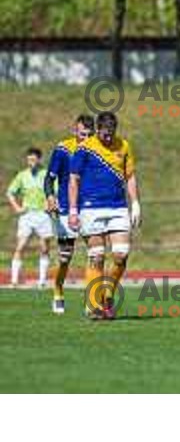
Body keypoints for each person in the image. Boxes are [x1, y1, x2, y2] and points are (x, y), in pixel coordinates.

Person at [68, 112, 142, 319]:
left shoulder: (124, 146)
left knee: (121, 254)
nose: (108, 138)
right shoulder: (85, 148)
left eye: (111, 134)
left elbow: (130, 176)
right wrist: (73, 211)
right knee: (97, 256)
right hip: (91, 208)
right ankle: (93, 306)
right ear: (97, 129)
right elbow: (73, 180)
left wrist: (135, 203)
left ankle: (107, 295)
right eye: (104, 134)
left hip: (117, 207)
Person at [44, 114, 95, 314]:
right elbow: (49, 178)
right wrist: (50, 197)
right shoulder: (63, 149)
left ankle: (91, 299)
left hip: (91, 207)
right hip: (66, 207)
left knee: (95, 254)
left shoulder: (97, 149)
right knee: (65, 257)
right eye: (83, 134)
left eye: (90, 134)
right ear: (75, 131)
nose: (86, 138)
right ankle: (57, 290)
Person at [6, 148, 53, 289]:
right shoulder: (22, 176)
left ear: (39, 159)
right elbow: (10, 192)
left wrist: (49, 204)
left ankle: (42, 281)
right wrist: (17, 208)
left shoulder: (46, 175)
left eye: (33, 159)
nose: (31, 162)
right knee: (20, 247)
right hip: (27, 215)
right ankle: (14, 281)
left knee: (44, 248)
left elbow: (55, 192)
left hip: (43, 215)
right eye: (29, 159)